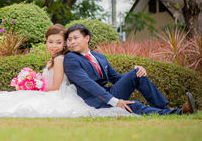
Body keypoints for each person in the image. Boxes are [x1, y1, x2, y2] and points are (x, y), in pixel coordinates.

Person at [0, 24, 134, 118]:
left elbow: (56, 86)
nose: (53, 46)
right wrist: (32, 82)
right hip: (50, 92)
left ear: (65, 43)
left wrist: (34, 88)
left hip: (58, 95)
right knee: (9, 100)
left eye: (58, 42)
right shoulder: (53, 58)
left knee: (20, 103)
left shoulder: (61, 59)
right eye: (50, 42)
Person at [64, 24, 196, 115]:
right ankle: (180, 112)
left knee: (137, 73)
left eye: (75, 38)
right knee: (134, 105)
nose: (72, 42)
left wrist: (138, 72)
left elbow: (116, 78)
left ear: (87, 38)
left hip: (108, 92)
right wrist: (114, 101)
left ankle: (165, 108)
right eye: (70, 40)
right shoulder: (71, 58)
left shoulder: (99, 57)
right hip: (93, 99)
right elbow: (87, 83)